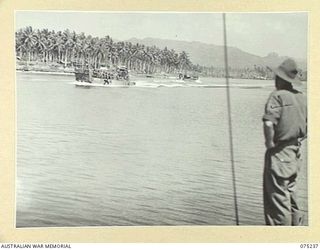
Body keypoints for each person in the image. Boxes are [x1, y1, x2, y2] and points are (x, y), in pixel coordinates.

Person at [262, 58, 307, 226]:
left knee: (277, 206)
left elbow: (268, 123)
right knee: (292, 199)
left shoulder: (277, 96)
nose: (275, 79)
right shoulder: (302, 98)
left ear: (281, 79)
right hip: (295, 154)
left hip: (279, 155)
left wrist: (270, 144)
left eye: (276, 76)